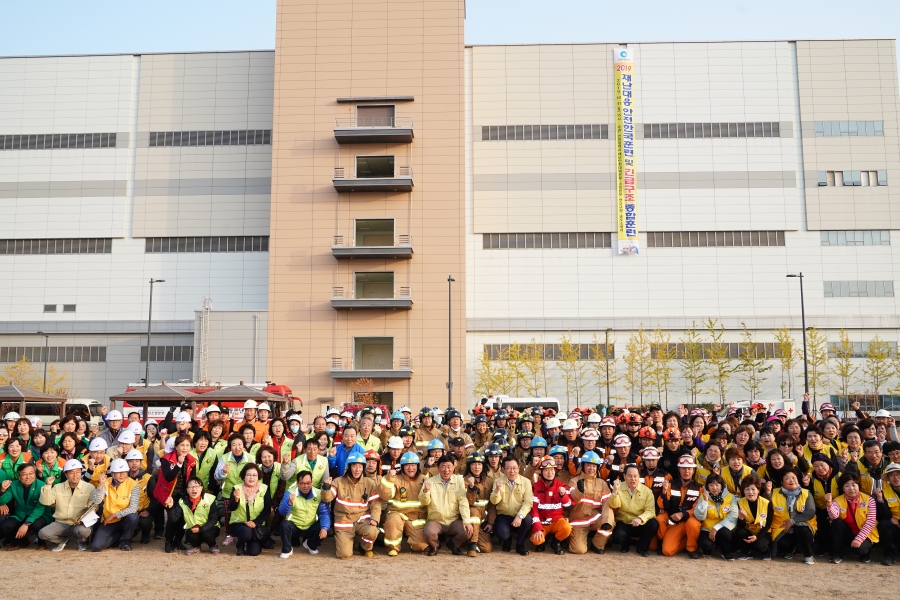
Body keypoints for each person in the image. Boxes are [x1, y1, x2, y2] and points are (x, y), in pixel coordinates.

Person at [322, 451, 380, 559]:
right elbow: (327, 498)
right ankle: (346, 541)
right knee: (344, 555)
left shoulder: (370, 483)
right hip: (344, 521)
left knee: (373, 531)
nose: (357, 470)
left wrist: (375, 519)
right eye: (354, 466)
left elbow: (375, 504)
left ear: (363, 467)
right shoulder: (338, 481)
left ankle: (363, 547)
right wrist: (326, 487)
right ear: (348, 467)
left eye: (360, 466)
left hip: (362, 520)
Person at [37, 458, 95, 551]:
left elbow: (93, 507)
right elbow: (46, 502)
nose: (75, 475)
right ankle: (62, 540)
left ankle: (81, 541)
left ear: (81, 472)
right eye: (71, 472)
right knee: (42, 534)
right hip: (61, 522)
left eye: (78, 472)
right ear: (66, 474)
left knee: (84, 531)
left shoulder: (89, 487)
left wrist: (83, 519)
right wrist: (48, 486)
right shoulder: (57, 487)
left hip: (78, 524)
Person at [419, 454, 472, 556]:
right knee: (428, 533)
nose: (446, 470)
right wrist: (426, 491)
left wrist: (466, 521)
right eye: (443, 466)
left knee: (467, 531)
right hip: (436, 520)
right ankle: (435, 546)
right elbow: (423, 502)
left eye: (449, 467)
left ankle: (453, 544)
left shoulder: (459, 480)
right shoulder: (429, 481)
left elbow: (463, 501)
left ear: (454, 466)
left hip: (453, 520)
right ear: (438, 468)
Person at [380, 450, 428, 556]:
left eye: (413, 465)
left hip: (416, 518)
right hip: (397, 514)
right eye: (407, 466)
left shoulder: (424, 480)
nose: (410, 468)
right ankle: (393, 547)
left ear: (417, 466)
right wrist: (389, 479)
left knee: (420, 546)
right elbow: (385, 496)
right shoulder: (395, 478)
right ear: (402, 467)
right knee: (393, 520)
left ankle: (408, 539)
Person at [567, 450, 615, 554]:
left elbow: (606, 503)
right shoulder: (574, 481)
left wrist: (606, 521)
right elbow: (572, 499)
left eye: (594, 466)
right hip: (579, 519)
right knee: (579, 550)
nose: (591, 468)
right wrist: (578, 491)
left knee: (610, 520)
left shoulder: (602, 483)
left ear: (597, 467)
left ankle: (597, 544)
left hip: (595, 517)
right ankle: (572, 538)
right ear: (583, 466)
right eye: (588, 465)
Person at [155, 435, 197, 553]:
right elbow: (168, 477)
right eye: (182, 445)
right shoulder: (166, 459)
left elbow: (192, 479)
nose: (185, 448)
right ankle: (168, 541)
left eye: (187, 445)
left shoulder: (192, 460)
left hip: (184, 492)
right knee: (173, 518)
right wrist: (178, 464)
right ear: (176, 447)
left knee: (183, 518)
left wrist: (192, 494)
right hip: (169, 493)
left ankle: (178, 541)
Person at [826, 472, 877, 564]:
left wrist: (859, 539)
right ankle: (837, 554)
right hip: (848, 533)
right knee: (836, 522)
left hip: (865, 534)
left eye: (854, 485)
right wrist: (829, 505)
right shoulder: (837, 500)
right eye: (847, 486)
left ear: (858, 486)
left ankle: (864, 552)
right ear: (842, 488)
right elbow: (834, 516)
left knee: (862, 550)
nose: (851, 488)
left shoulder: (869, 500)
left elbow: (870, 522)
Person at [659, 454, 704, 558]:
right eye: (683, 468)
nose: (686, 471)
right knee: (667, 551)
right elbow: (662, 504)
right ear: (679, 469)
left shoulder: (700, 488)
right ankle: (684, 540)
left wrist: (683, 514)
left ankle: (691, 548)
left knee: (693, 523)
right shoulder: (670, 484)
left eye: (689, 468)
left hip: (690, 520)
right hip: (676, 524)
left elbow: (698, 508)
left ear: (693, 470)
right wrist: (664, 491)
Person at [608, 463, 659, 556]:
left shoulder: (647, 491)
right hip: (624, 522)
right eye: (629, 476)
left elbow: (651, 511)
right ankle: (626, 544)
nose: (633, 479)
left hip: (640, 523)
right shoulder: (618, 488)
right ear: (624, 476)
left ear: (639, 476)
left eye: (635, 476)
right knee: (617, 536)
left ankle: (642, 548)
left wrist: (640, 518)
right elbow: (613, 505)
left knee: (653, 524)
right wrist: (615, 491)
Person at [90, 458, 140, 552]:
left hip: (124, 519)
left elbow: (134, 508)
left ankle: (125, 541)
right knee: (96, 547)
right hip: (109, 522)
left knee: (133, 517)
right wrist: (100, 485)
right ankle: (118, 537)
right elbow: (96, 501)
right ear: (112, 473)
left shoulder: (133, 484)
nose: (122, 475)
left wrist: (115, 515)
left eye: (124, 472)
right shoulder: (106, 482)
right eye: (118, 472)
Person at [278, 470, 331, 558]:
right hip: (295, 526)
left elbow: (324, 513)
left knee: (325, 525)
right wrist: (289, 503)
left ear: (312, 482)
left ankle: (311, 544)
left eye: (308, 483)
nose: (305, 486)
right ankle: (287, 549)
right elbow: (281, 512)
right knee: (284, 525)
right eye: (302, 483)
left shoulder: (319, 493)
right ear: (297, 483)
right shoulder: (290, 493)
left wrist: (324, 528)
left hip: (310, 526)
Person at [0, 463, 53, 549]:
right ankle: (19, 542)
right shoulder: (13, 484)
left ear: (35, 474)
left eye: (31, 473)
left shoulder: (42, 485)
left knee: (36, 524)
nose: (28, 477)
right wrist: (2, 490)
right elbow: (3, 501)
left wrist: (26, 524)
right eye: (24, 474)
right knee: (5, 526)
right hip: (21, 514)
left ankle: (41, 542)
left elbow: (40, 508)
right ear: (19, 476)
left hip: (40, 514)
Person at [770, 468, 817, 564]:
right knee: (783, 544)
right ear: (782, 482)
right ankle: (791, 549)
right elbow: (765, 506)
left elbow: (810, 512)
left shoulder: (806, 493)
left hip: (803, 525)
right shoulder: (774, 493)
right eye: (787, 478)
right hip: (782, 528)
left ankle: (808, 556)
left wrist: (792, 521)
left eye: (793, 477)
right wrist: (767, 492)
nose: (791, 480)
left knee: (802, 530)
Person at [490, 455, 534, 555]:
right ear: (503, 469)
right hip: (504, 516)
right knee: (502, 533)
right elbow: (494, 501)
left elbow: (528, 503)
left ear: (519, 468)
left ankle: (520, 545)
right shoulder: (498, 482)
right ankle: (507, 541)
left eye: (514, 468)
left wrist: (519, 516)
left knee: (528, 520)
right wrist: (497, 490)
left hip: (519, 515)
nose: (512, 471)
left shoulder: (526, 482)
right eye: (508, 468)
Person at [529, 456, 573, 554]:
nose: (550, 473)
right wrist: (537, 528)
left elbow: (568, 504)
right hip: (542, 522)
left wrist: (563, 495)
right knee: (536, 540)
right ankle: (541, 543)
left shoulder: (562, 486)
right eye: (546, 470)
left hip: (556, 521)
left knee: (567, 528)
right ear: (541, 472)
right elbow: (534, 510)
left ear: (555, 471)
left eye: (552, 470)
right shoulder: (535, 487)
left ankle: (556, 542)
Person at [228, 463, 272, 556]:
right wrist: (236, 499)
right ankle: (240, 546)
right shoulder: (237, 488)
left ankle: (252, 541)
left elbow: (267, 509)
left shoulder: (264, 489)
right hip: (239, 523)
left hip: (256, 524)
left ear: (258, 477)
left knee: (253, 552)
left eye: (254, 475)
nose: (251, 478)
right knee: (246, 532)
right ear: (244, 476)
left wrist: (255, 522)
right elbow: (231, 508)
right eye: (248, 475)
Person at [170, 476, 220, 555]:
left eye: (197, 486)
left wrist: (201, 529)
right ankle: (195, 546)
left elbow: (213, 519)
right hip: (192, 528)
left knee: (207, 535)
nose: (194, 489)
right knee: (191, 535)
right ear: (187, 489)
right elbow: (174, 519)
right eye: (191, 486)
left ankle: (212, 545)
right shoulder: (182, 501)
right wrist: (170, 508)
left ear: (201, 488)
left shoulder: (210, 499)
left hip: (210, 527)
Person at [693, 473, 738, 560]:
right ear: (707, 486)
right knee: (705, 546)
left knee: (725, 534)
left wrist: (716, 528)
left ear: (722, 486)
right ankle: (711, 547)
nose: (714, 488)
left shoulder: (730, 497)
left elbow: (734, 515)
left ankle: (725, 551)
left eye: (717, 484)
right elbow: (700, 517)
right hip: (707, 528)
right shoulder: (703, 497)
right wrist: (705, 502)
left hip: (724, 528)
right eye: (711, 485)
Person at [733, 474, 773, 560]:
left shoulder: (767, 503)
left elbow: (768, 524)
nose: (750, 492)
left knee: (760, 545)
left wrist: (757, 537)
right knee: (740, 532)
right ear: (743, 491)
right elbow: (740, 526)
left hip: (763, 532)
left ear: (758, 490)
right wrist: (741, 518)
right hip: (749, 531)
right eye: (747, 489)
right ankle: (746, 552)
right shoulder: (740, 503)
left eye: (753, 489)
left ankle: (765, 551)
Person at [463, 451, 493, 557]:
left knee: (487, 548)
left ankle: (469, 540)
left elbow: (492, 505)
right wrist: (471, 488)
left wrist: (490, 522)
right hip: (469, 518)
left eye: (479, 464)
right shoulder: (463, 481)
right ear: (469, 466)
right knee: (474, 511)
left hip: (483, 520)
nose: (476, 467)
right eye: (474, 464)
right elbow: (469, 502)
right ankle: (472, 544)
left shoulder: (489, 481)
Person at [876, 462, 900, 565]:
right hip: (895, 529)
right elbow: (885, 516)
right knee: (884, 524)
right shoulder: (884, 492)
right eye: (892, 475)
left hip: (898, 522)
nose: (896, 478)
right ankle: (889, 555)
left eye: (898, 474)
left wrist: (899, 521)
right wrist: (880, 500)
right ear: (888, 478)